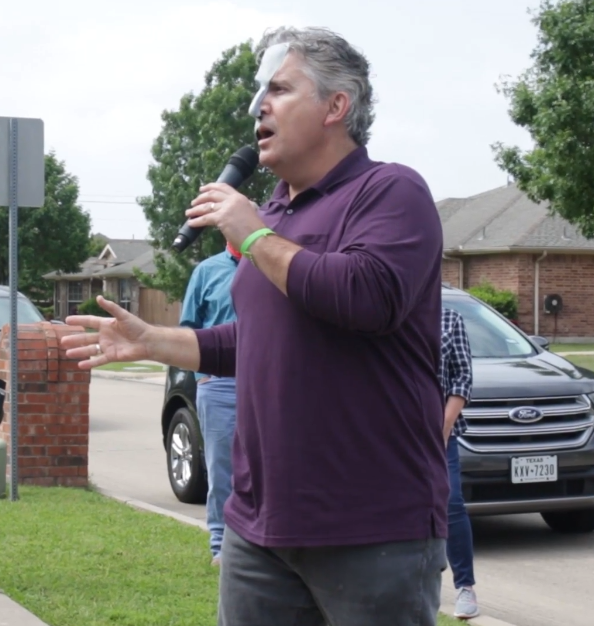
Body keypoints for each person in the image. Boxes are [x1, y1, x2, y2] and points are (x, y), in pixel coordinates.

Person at [61, 26, 449, 626]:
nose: (258, 107)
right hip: (258, 524)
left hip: (371, 526)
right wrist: (152, 340)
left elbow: (367, 297)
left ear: (336, 106)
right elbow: (259, 340)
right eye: (258, 93)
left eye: (279, 89)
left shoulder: (390, 191)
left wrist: (254, 234)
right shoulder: (272, 211)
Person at [179, 242, 241, 566]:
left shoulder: (270, 264)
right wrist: (202, 375)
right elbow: (189, 327)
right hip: (219, 387)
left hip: (268, 383)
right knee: (221, 469)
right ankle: (220, 546)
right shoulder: (207, 271)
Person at [439, 306, 478, 619]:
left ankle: (465, 587)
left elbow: (462, 375)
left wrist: (445, 426)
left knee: (451, 502)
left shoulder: (449, 318)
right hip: (395, 434)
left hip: (441, 433)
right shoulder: (391, 311)